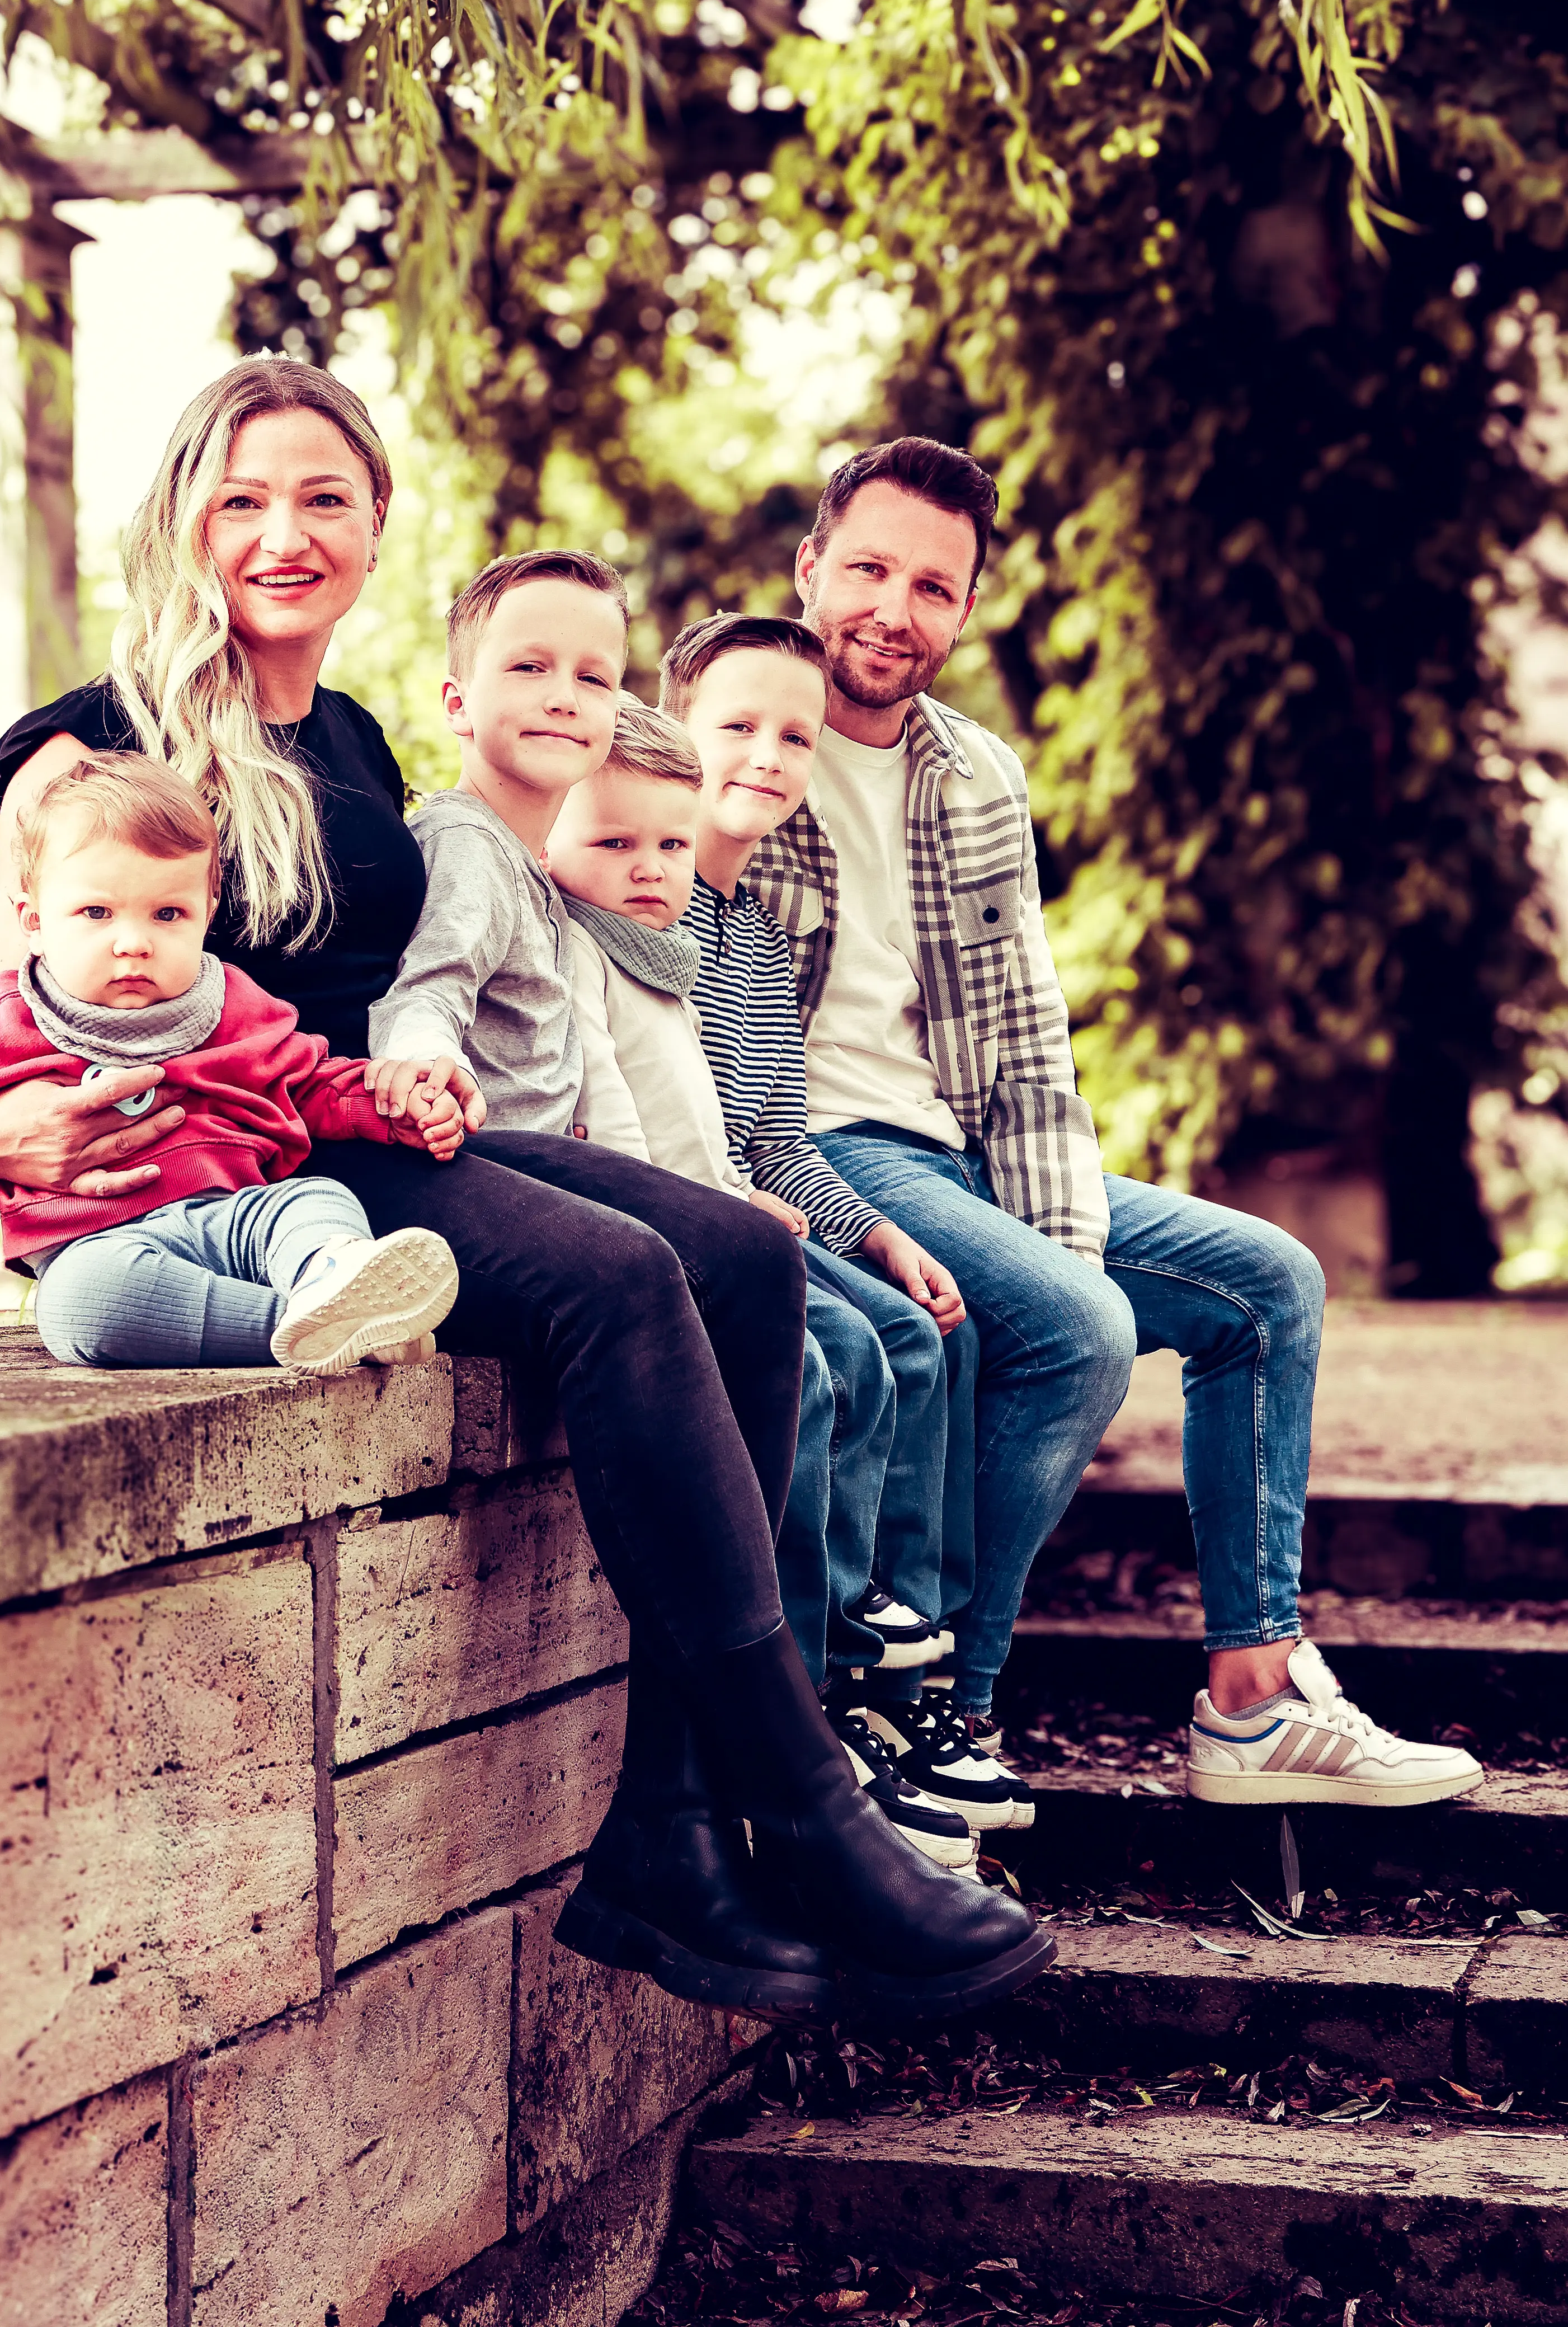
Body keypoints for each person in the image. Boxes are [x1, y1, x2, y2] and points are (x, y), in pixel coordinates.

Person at [0, 357, 1056, 2025]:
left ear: (377, 528)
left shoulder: (346, 733)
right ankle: (807, 1800)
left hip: (368, 1125)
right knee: (612, 1281)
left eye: (325, 496)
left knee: (744, 1260)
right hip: (248, 1179)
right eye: (245, 495)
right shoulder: (93, 738)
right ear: (187, 516)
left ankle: (669, 1830)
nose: (284, 531)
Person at [745, 434, 1484, 1813]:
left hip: (958, 1147)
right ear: (807, 568)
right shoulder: (726, 717)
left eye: (932, 584)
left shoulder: (975, 773)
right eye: (865, 568)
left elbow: (1028, 1051)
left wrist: (1054, 1238)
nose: (891, 610)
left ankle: (1253, 1695)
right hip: (815, 1145)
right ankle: (943, 1713)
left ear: (966, 606)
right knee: (1077, 1325)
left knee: (1263, 1283)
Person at [547, 693, 978, 1870]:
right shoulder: (578, 952)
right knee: (824, 1364)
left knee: (896, 1341)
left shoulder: (680, 950)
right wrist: (729, 1207)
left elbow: (742, 1129)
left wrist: (780, 1204)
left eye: (668, 847)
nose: (649, 871)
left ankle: (853, 1645)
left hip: (732, 1218)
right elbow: (618, 1127)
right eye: (616, 844)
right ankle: (804, 1669)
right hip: (668, 1237)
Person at [662, 614, 1031, 1835]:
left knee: (935, 1326)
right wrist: (754, 1206)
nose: (766, 756)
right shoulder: (636, 902)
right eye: (737, 727)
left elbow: (779, 1143)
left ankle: (902, 1675)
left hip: (768, 1208)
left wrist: (877, 1233)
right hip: (690, 1224)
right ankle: (821, 1690)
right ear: (673, 727)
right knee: (863, 1352)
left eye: (794, 738)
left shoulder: (759, 943)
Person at [0, 754, 463, 1372]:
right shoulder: (6, 1021)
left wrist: (388, 1110)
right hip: (98, 1246)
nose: (133, 941)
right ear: (33, 920)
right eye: (96, 913)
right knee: (82, 1308)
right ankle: (318, 1324)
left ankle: (331, 1274)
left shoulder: (234, 1007)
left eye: (168, 914)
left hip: (240, 1216)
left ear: (207, 914)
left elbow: (306, 1084)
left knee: (317, 1202)